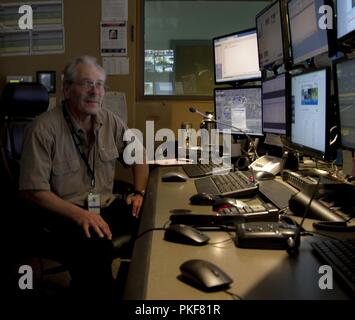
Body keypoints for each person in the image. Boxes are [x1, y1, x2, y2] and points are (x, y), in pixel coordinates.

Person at [19, 56, 149, 300]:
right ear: (67, 89)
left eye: (100, 85)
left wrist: (139, 193)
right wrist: (81, 215)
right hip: (62, 214)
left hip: (103, 206)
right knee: (95, 247)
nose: (95, 91)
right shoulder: (42, 129)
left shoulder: (109, 120)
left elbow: (139, 155)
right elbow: (33, 191)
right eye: (86, 83)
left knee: (152, 222)